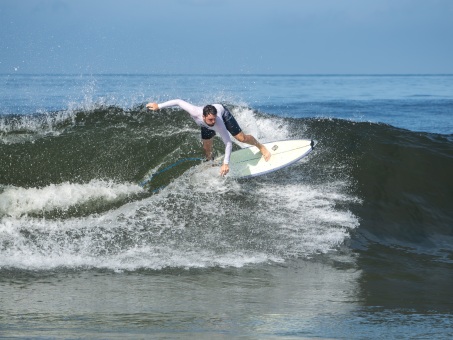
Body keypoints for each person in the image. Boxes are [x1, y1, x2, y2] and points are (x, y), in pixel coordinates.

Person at [146, 99, 271, 176]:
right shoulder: (195, 112)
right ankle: (210, 164)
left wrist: (225, 163)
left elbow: (228, 143)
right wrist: (159, 106)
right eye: (210, 119)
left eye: (214, 119)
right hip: (203, 125)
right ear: (203, 116)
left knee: (241, 138)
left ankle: (261, 146)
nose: (212, 121)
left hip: (224, 113)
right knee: (206, 148)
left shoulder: (218, 122)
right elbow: (178, 102)